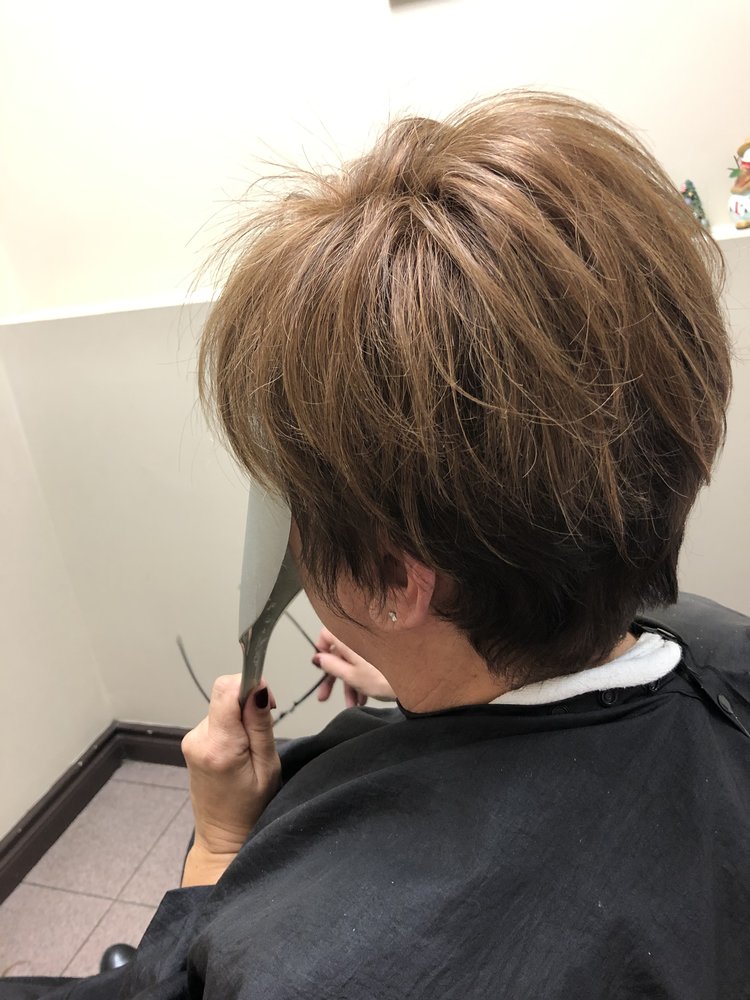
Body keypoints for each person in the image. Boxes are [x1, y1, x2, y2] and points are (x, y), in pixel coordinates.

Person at [3, 90, 749, 999]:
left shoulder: (317, 966)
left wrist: (219, 847)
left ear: (396, 580)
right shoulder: (717, 646)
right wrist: (421, 681)